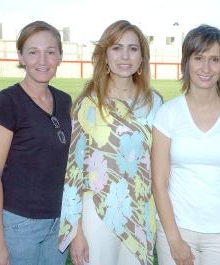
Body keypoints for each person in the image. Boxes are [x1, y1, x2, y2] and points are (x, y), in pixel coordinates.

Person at [57, 20, 163, 265]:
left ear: (142, 58)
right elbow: (74, 172)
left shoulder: (155, 104)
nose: (125, 56)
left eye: (133, 48)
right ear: (105, 56)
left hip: (141, 213)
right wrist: (77, 231)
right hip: (97, 213)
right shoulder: (88, 104)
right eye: (116, 48)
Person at [152, 24, 220, 265]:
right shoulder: (167, 114)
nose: (206, 68)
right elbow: (158, 184)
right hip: (176, 230)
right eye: (198, 58)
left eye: (214, 59)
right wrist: (174, 240)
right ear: (186, 62)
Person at [0, 21, 71, 265]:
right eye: (33, 52)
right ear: (20, 56)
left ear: (60, 56)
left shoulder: (65, 102)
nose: (42, 60)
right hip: (17, 226)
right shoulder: (6, 103)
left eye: (50, 51)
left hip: (58, 225)